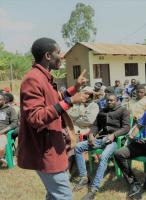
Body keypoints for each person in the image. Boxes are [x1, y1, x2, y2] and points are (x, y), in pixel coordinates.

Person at [17, 38, 90, 200]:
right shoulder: (33, 79)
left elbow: (54, 99)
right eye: (59, 52)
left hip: (53, 146)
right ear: (48, 55)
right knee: (64, 196)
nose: (62, 56)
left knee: (54, 195)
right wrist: (70, 101)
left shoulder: (44, 78)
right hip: (44, 150)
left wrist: (74, 89)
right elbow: (35, 117)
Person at [73, 93, 130, 200]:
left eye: (111, 100)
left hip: (115, 142)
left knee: (103, 157)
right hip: (102, 139)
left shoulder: (123, 111)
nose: (109, 102)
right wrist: (91, 135)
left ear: (117, 100)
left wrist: (114, 135)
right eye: (107, 100)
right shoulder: (103, 110)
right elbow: (95, 125)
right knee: (78, 147)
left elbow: (127, 127)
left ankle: (94, 189)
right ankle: (84, 177)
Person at [0, 93, 18, 167]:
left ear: (4, 100)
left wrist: (2, 131)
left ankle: (2, 158)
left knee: (1, 146)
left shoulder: (10, 109)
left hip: (3, 133)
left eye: (0, 100)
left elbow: (14, 124)